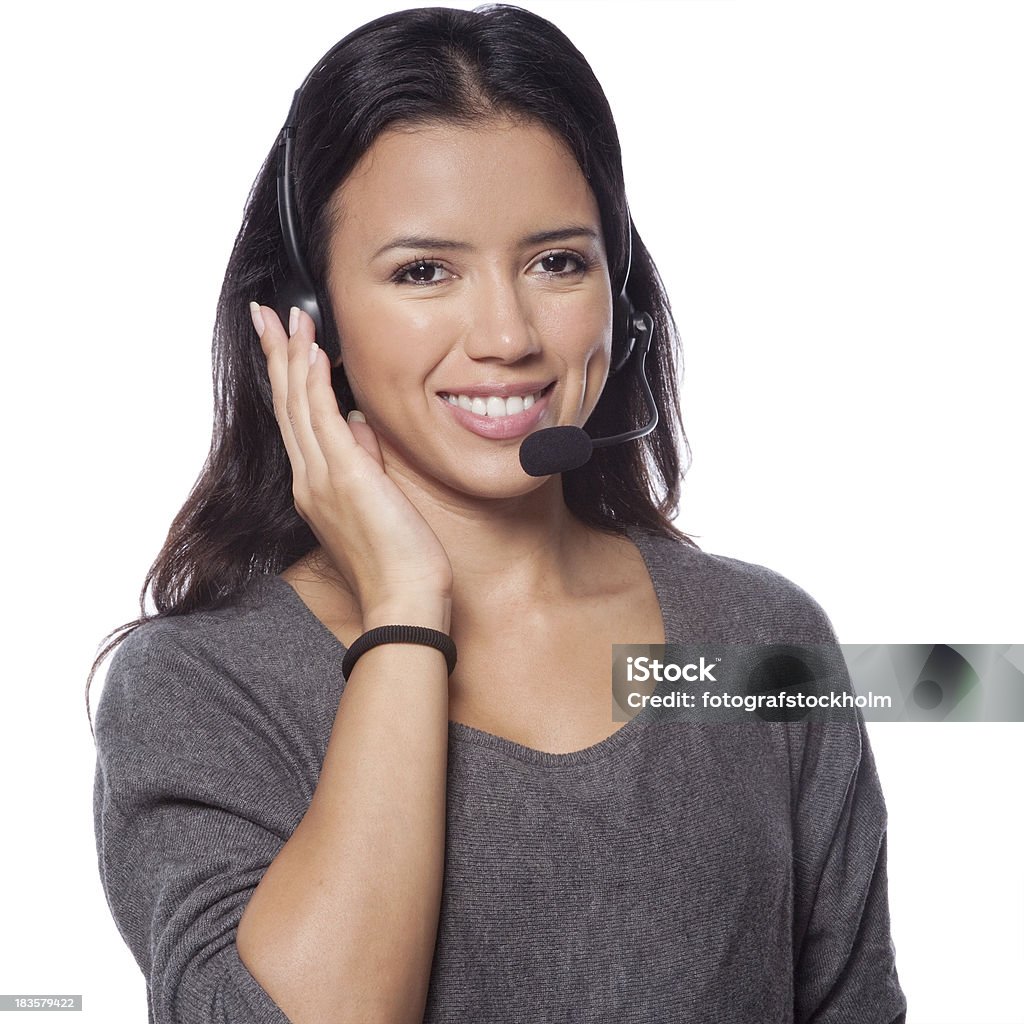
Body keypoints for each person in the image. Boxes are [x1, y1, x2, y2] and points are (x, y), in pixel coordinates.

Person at [89, 5, 907, 1023]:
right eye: (424, 271)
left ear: (620, 289)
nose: (508, 334)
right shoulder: (202, 687)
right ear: (309, 318)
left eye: (557, 261)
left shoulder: (757, 643)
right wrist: (403, 608)